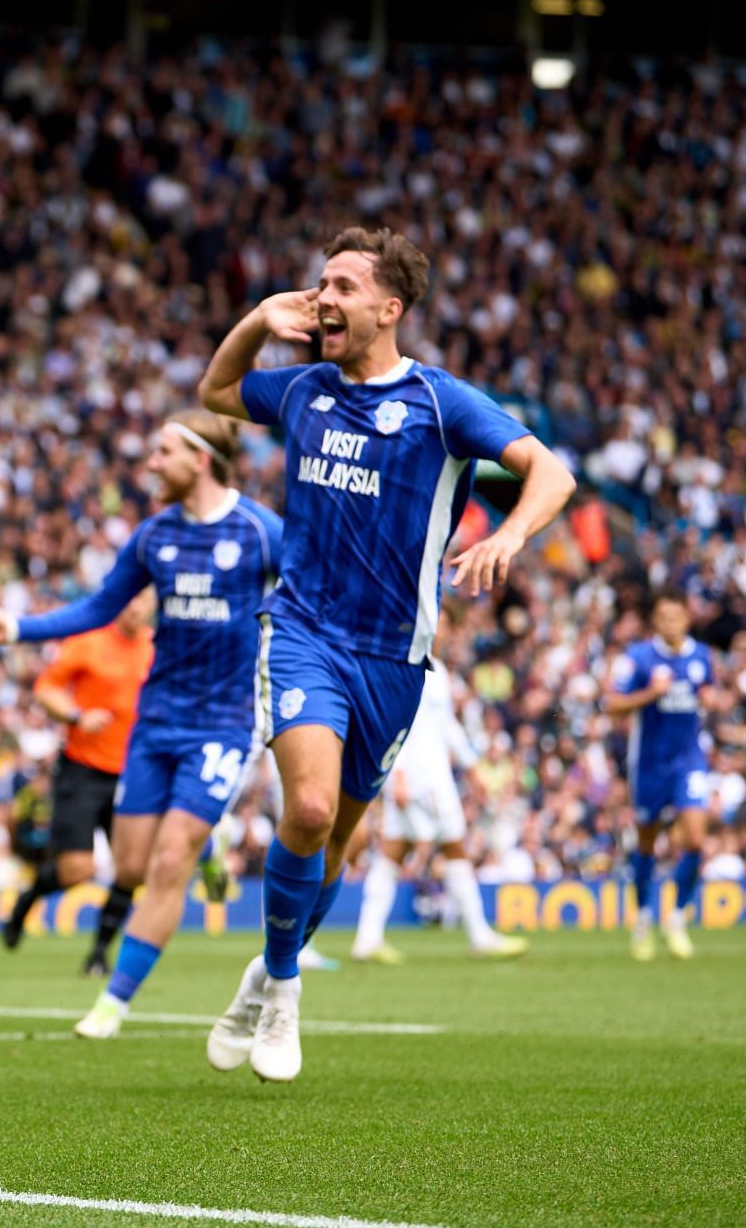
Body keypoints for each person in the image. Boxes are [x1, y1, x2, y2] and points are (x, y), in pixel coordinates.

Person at [198, 226, 576, 1083]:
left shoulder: (442, 404)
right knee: (306, 809)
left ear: (389, 307)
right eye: (318, 283)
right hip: (301, 632)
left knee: (334, 841)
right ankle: (288, 986)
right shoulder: (303, 389)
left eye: (341, 286)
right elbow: (216, 388)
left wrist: (510, 534)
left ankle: (264, 970)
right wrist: (261, 317)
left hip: (395, 661)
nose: (323, 297)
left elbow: (551, 473)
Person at [0, 411, 280, 1038]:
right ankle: (211, 842)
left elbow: (312, 593)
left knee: (166, 863)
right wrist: (18, 629)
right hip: (154, 727)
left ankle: (113, 1001)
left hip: (223, 724)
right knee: (129, 867)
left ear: (201, 459)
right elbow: (100, 606)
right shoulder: (154, 536)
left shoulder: (261, 532)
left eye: (162, 452)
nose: (149, 464)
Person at [0, 580, 153, 971]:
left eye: (143, 597)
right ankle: (26, 902)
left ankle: (99, 953)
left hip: (133, 772)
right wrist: (77, 714)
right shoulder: (89, 641)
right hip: (83, 769)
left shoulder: (156, 647)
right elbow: (47, 689)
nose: (134, 606)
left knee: (132, 868)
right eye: (129, 596)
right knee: (78, 869)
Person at [350, 659, 528, 963]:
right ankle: (479, 935)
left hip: (434, 775)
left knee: (393, 852)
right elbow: (389, 721)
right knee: (454, 847)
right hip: (421, 780)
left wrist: (472, 768)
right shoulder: (397, 664)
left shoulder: (440, 671)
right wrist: (399, 773)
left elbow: (446, 726)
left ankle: (368, 938)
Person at [605, 589, 721, 962]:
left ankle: (676, 918)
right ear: (656, 620)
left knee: (696, 840)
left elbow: (712, 695)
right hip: (649, 763)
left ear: (687, 619)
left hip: (689, 760)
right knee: (646, 843)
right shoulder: (638, 658)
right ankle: (642, 919)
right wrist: (649, 694)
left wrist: (712, 700)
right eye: (664, 618)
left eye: (677, 617)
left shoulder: (702, 656)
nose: (671, 624)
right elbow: (613, 705)